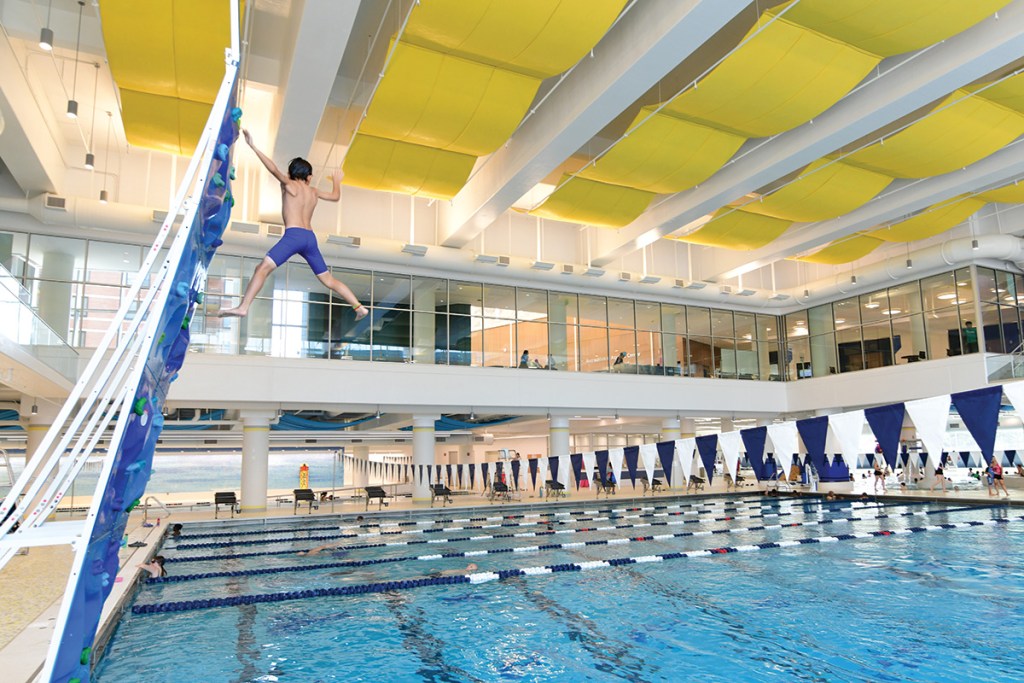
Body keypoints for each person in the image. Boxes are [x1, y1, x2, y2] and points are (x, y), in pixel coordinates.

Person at [215, 130, 368, 321]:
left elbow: (273, 169)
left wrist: (254, 147)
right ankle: (359, 307)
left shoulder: (288, 184)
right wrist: (337, 181)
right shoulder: (314, 192)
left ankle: (243, 307)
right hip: (309, 239)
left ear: (291, 173)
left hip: (293, 236)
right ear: (309, 176)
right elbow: (335, 197)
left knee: (262, 269)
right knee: (328, 279)